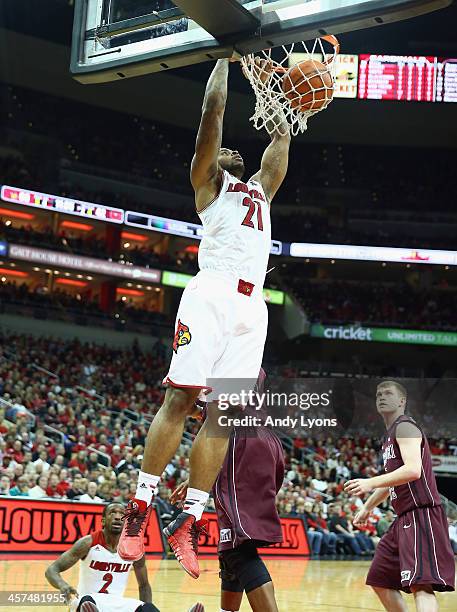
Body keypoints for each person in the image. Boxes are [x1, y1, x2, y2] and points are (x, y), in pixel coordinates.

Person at [118, 55, 291, 582]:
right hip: (211, 292)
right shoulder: (208, 184)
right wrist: (226, 57)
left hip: (253, 307)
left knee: (224, 417)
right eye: (225, 152)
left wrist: (282, 91)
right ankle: (139, 507)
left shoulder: (261, 189)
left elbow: (281, 145)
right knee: (181, 397)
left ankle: (189, 520)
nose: (233, 151)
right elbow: (213, 112)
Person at [171, 369, 284, 612]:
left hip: (238, 440)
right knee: (230, 541)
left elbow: (188, 403)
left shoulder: (221, 352)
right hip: (263, 442)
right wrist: (197, 478)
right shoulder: (250, 353)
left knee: (238, 547)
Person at [345, 380, 455, 612]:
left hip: (421, 514)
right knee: (380, 579)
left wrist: (368, 482)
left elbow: (413, 470)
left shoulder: (406, 427)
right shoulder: (389, 436)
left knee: (421, 586)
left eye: (388, 393)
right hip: (402, 520)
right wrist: (367, 507)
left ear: (402, 401)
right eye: (378, 394)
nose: (382, 397)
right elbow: (393, 479)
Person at [45, 502, 160, 612]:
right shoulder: (88, 543)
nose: (117, 517)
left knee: (149, 608)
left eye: (122, 514)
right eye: (112, 513)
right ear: (103, 521)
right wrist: (62, 585)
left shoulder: (134, 548)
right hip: (87, 601)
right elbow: (51, 570)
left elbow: (144, 586)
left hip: (115, 604)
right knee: (88, 602)